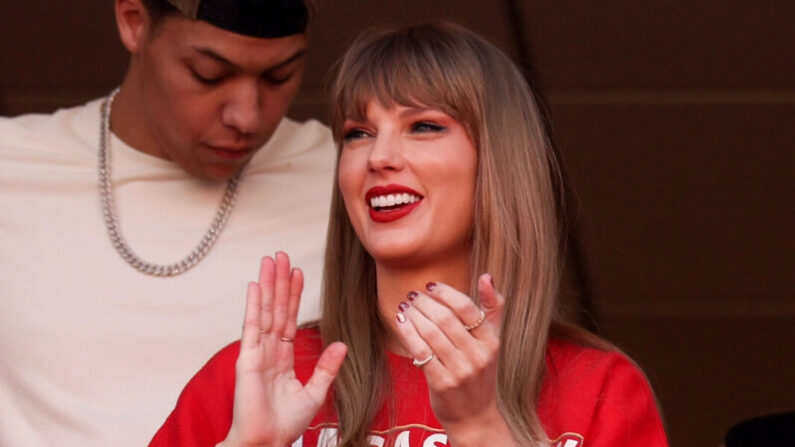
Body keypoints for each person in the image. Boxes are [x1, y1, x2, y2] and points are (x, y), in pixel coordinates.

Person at [149, 22, 670, 447]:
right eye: (358, 133)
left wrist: (481, 430)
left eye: (423, 126)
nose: (379, 157)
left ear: (498, 161)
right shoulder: (252, 381)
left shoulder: (600, 390)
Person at [0, 1, 334, 446]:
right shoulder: (12, 166)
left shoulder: (355, 178)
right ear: (133, 21)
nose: (247, 116)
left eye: (280, 77)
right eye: (208, 75)